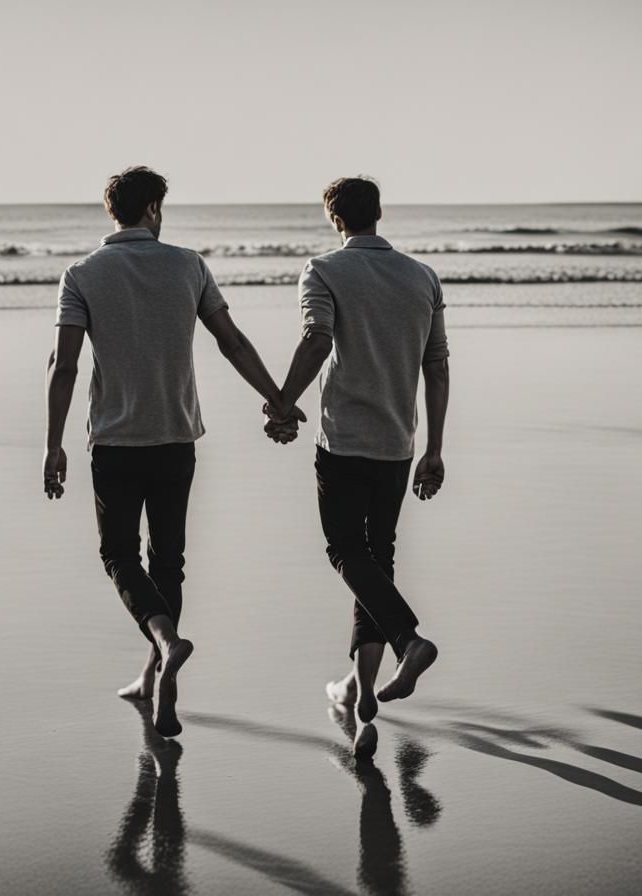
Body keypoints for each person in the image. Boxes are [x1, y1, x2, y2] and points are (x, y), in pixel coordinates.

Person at [44, 166, 301, 738]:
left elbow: (64, 365)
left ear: (113, 212)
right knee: (168, 561)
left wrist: (53, 443)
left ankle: (163, 644)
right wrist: (279, 399)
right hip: (176, 437)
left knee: (118, 555)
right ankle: (161, 680)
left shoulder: (82, 273)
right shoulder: (188, 265)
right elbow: (231, 342)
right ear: (154, 208)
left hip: (114, 438)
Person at [267, 176, 450, 756]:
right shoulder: (421, 276)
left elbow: (317, 339)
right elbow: (437, 367)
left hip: (344, 440)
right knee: (376, 559)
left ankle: (408, 639)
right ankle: (362, 696)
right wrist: (435, 448)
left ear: (334, 219)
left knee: (347, 551)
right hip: (398, 443)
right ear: (379, 213)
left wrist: (282, 402)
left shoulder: (323, 270)